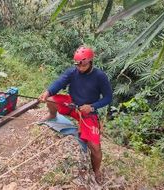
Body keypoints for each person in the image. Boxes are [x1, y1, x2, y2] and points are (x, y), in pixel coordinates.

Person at [39, 46, 113, 183]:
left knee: (95, 148)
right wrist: (48, 92)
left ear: (90, 62)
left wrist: (92, 107)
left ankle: (96, 170)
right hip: (72, 105)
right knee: (50, 100)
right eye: (77, 64)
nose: (79, 68)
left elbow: (108, 97)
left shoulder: (100, 76)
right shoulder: (73, 72)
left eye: (83, 65)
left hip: (87, 112)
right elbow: (60, 82)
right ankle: (52, 115)